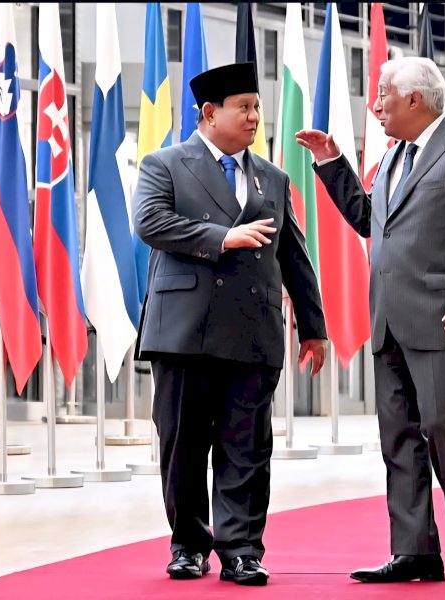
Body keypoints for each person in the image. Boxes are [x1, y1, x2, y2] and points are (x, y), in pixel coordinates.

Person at [297, 56, 445, 584]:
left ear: (415, 98)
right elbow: (372, 220)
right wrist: (332, 163)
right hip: (387, 320)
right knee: (398, 438)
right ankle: (413, 550)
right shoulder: (393, 156)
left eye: (384, 94)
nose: (377, 105)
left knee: (442, 428)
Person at [134, 62, 327, 587]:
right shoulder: (165, 164)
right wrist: (222, 237)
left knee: (248, 448)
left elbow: (294, 255)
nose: (254, 116)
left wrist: (314, 326)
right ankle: (189, 545)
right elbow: (149, 222)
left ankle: (241, 549)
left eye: (257, 107)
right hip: (184, 332)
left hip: (252, 331)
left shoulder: (273, 177)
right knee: (184, 445)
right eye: (244, 107)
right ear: (209, 112)